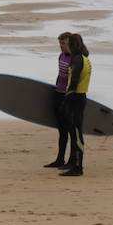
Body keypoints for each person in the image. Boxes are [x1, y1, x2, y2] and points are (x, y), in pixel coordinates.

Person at [57, 33, 92, 177]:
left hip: (75, 99)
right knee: (74, 132)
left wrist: (66, 100)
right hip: (80, 97)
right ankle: (74, 164)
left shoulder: (77, 59)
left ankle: (78, 168)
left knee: (76, 134)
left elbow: (74, 81)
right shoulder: (85, 58)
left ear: (73, 44)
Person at [45, 32, 74, 168]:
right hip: (58, 94)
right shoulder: (61, 56)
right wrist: (56, 90)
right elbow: (60, 75)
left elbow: (75, 81)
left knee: (70, 130)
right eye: (60, 43)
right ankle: (60, 159)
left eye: (63, 43)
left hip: (68, 97)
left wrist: (69, 97)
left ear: (70, 44)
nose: (61, 46)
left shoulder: (75, 59)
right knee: (61, 130)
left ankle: (72, 161)